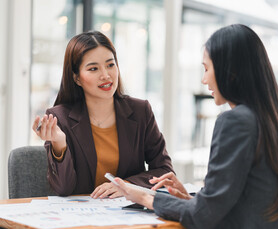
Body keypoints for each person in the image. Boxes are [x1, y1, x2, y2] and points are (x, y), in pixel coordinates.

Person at [110, 24, 278, 229]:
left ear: (231, 71)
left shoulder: (236, 121)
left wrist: (146, 197)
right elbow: (248, 203)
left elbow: (203, 217)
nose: (203, 79)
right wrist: (193, 202)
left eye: (207, 69)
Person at [32, 31, 174, 198]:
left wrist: (126, 186)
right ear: (77, 78)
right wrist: (59, 144)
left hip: (129, 216)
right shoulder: (60, 118)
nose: (106, 75)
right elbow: (63, 189)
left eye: (110, 65)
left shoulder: (140, 111)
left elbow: (165, 171)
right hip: (80, 218)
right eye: (93, 68)